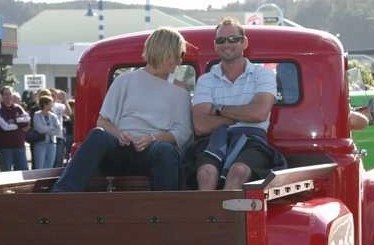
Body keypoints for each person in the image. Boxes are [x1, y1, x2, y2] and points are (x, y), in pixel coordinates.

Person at [52, 26, 192, 192]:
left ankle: (164, 205)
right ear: (165, 53)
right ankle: (61, 194)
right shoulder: (124, 80)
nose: (180, 61)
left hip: (153, 152)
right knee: (98, 135)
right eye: (178, 55)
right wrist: (119, 134)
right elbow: (103, 121)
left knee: (165, 151)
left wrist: (153, 138)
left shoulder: (180, 91)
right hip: (120, 149)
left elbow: (183, 132)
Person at [191, 17, 286, 191]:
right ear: (215, 46)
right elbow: (200, 125)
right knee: (206, 173)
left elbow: (259, 113)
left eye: (233, 39)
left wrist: (218, 109)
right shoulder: (206, 80)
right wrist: (241, 116)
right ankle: (209, 209)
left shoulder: (263, 75)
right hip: (215, 139)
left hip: (253, 140)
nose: (227, 44)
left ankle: (229, 210)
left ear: (244, 42)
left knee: (239, 172)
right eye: (221, 40)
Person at [0, 86, 30, 171]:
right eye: (6, 94)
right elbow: (5, 127)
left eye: (10, 94)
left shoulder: (18, 107)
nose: (8, 96)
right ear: (2, 96)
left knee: (23, 171)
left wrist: (14, 121)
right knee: (6, 173)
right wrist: (19, 124)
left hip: (19, 145)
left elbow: (27, 119)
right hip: (5, 147)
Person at [32, 95, 61, 169]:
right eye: (51, 103)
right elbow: (39, 129)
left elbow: (58, 130)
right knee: (39, 167)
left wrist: (47, 129)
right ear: (45, 104)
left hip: (52, 144)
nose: (52, 105)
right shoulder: (37, 115)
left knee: (49, 167)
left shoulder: (53, 116)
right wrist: (51, 128)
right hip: (40, 144)